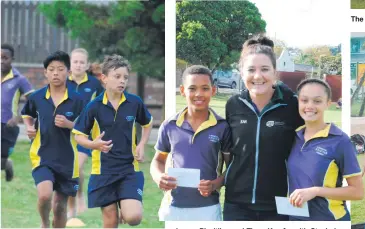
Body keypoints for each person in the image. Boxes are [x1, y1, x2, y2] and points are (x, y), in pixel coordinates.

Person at [223, 36, 304, 221]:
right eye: (251, 70)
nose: (258, 76)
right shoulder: (234, 105)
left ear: (275, 72)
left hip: (279, 203)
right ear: (242, 73)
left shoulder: (292, 105)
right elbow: (227, 149)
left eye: (265, 69)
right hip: (236, 204)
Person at [72, 54, 153, 228]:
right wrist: (93, 145)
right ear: (104, 78)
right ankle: (120, 203)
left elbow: (148, 123)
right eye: (117, 77)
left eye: (125, 77)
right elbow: (78, 135)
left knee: (134, 217)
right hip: (103, 171)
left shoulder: (135, 102)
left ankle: (126, 204)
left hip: (129, 169)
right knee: (110, 222)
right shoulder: (93, 106)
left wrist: (141, 144)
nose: (122, 81)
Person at [150, 65, 232, 221]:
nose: (199, 94)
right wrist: (158, 177)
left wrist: (215, 184)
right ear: (182, 91)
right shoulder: (170, 125)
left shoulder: (222, 127)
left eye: (205, 88)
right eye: (192, 88)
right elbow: (158, 160)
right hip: (173, 207)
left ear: (213, 91)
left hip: (208, 208)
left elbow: (232, 167)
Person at [21, 51, 85, 228]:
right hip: (42, 156)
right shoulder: (36, 97)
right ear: (45, 73)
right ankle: (44, 223)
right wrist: (29, 126)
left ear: (68, 72)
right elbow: (26, 113)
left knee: (59, 206)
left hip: (68, 160)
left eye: (60, 69)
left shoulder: (78, 100)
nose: (56, 73)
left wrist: (70, 125)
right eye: (51, 69)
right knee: (44, 195)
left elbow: (88, 128)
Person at [287, 78, 364, 221]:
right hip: (295, 218)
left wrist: (315, 191)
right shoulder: (293, 137)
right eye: (304, 100)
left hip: (328, 219)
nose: (309, 106)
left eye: (317, 101)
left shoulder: (340, 140)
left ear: (328, 103)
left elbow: (358, 192)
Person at [67, 48, 104, 218]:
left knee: (76, 166)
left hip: (84, 134)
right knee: (69, 170)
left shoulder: (94, 85)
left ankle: (80, 197)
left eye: (82, 62)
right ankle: (71, 204)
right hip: (64, 134)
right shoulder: (62, 81)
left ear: (87, 65)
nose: (78, 65)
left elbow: (102, 105)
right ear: (70, 63)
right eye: (75, 61)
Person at [1, 44, 34, 181]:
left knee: (1, 161)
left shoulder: (19, 79)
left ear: (12, 59)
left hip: (8, 126)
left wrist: (18, 117)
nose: (1, 61)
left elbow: (32, 101)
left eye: (5, 58)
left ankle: (6, 164)